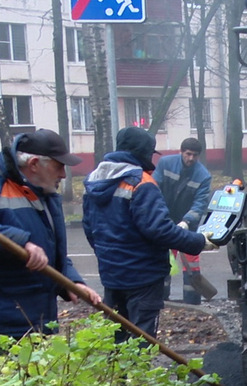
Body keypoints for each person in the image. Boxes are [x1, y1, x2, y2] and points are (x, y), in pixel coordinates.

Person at [0, 130, 101, 337]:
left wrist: (71, 282)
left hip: (28, 320)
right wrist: (21, 242)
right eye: (58, 166)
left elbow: (48, 250)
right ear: (34, 164)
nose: (63, 174)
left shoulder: (43, 193)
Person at [82, 127, 213, 341]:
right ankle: (138, 375)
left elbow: (90, 229)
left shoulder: (94, 179)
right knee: (142, 339)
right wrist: (199, 241)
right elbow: (159, 231)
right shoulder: (141, 182)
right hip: (142, 277)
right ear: (144, 152)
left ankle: (117, 375)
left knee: (116, 335)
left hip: (111, 274)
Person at [153, 137, 214, 304]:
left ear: (199, 156)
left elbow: (200, 203)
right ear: (181, 152)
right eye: (188, 154)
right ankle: (161, 299)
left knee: (192, 263)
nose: (191, 158)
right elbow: (154, 190)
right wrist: (160, 216)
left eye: (195, 155)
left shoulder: (203, 176)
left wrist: (186, 221)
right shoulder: (166, 164)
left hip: (187, 225)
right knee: (164, 260)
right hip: (164, 221)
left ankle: (192, 301)